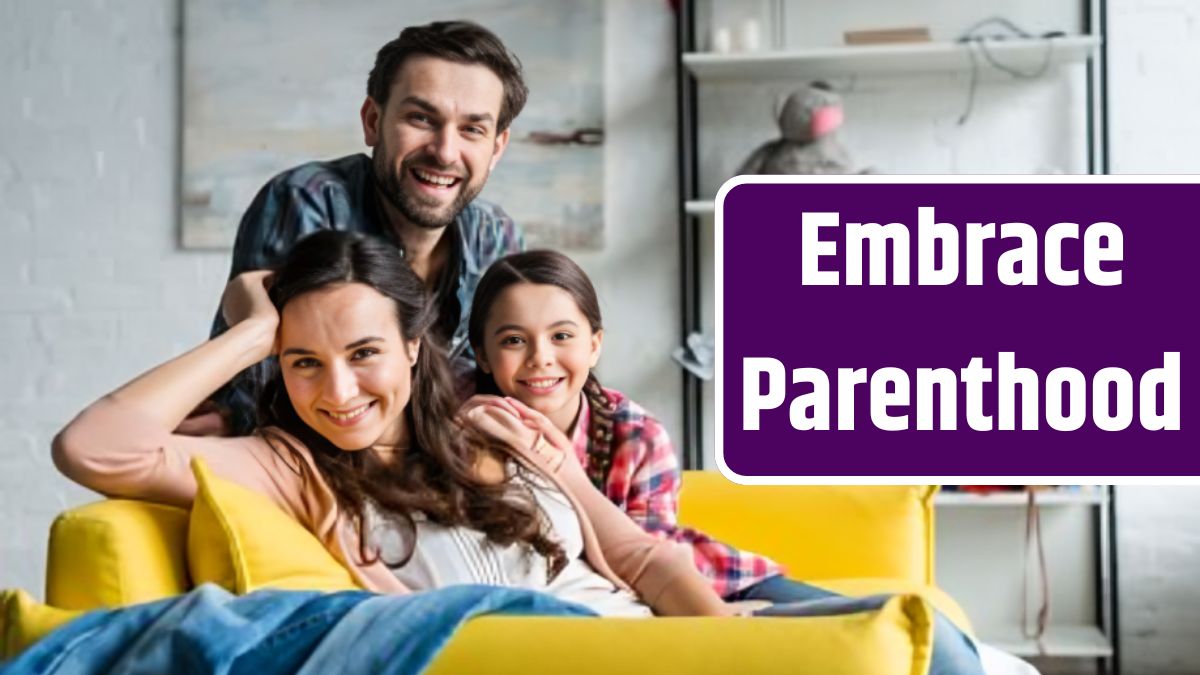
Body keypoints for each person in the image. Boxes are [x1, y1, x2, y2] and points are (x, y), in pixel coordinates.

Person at [53, 231, 731, 619]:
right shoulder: (290, 466)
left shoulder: (494, 421)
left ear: (412, 344)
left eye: (364, 352)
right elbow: (91, 448)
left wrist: (728, 645)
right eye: (303, 361)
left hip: (662, 642)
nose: (339, 391)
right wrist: (253, 332)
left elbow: (641, 557)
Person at [466, 250, 1040, 675]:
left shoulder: (632, 432)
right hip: (645, 615)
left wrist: (728, 612)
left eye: (561, 335)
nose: (541, 358)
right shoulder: (470, 438)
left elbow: (648, 564)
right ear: (485, 356)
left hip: (715, 584)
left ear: (594, 345)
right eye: (514, 340)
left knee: (918, 629)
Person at [205, 20, 527, 436]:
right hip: (299, 465)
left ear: (496, 147)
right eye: (421, 119)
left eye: (472, 129)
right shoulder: (306, 200)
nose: (445, 152)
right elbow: (271, 397)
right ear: (373, 121)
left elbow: (505, 391)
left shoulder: (497, 236)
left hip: (437, 475)